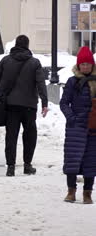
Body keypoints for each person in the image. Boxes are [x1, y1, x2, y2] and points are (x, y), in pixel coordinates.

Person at [0, 35, 48, 176]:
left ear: (16, 44)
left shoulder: (6, 60)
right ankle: (27, 165)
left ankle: (11, 167)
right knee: (29, 135)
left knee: (11, 136)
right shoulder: (34, 63)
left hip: (11, 104)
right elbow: (41, 83)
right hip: (29, 106)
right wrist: (44, 102)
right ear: (27, 45)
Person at [60, 46, 96, 204]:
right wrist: (71, 118)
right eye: (83, 64)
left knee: (91, 162)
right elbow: (64, 103)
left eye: (88, 64)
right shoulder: (72, 82)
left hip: (93, 128)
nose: (86, 67)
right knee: (72, 160)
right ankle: (71, 191)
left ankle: (87, 193)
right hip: (76, 127)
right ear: (78, 65)